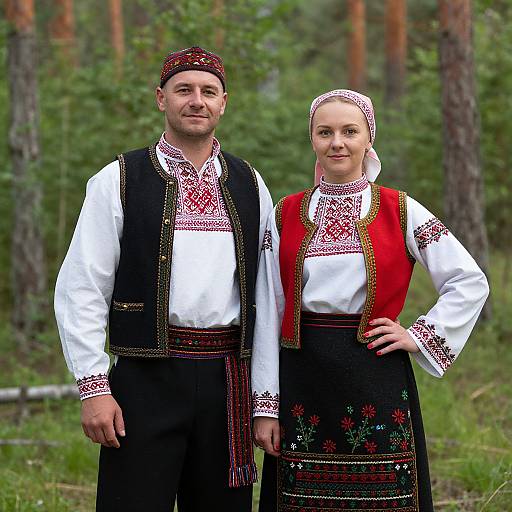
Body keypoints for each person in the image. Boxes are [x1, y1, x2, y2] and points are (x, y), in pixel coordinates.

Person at [54, 46, 273, 511]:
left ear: (223, 103)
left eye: (208, 91)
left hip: (226, 381)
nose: (197, 100)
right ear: (161, 98)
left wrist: (265, 399)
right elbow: (82, 288)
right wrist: (94, 388)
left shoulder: (250, 183)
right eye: (184, 90)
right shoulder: (119, 179)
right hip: (144, 379)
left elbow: (268, 296)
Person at [251, 89, 489, 512]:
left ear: (368, 138)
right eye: (324, 132)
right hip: (303, 373)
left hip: (375, 371)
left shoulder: (400, 209)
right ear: (312, 140)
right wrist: (266, 405)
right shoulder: (284, 213)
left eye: (349, 131)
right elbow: (269, 311)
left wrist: (419, 336)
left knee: (383, 496)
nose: (336, 142)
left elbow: (469, 280)